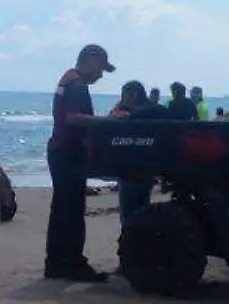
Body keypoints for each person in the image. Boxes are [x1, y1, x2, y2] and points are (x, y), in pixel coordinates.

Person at [45, 43, 115, 282]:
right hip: (68, 152)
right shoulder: (77, 85)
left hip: (59, 150)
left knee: (62, 210)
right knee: (72, 211)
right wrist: (106, 122)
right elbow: (73, 118)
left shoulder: (68, 80)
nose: (100, 75)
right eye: (101, 69)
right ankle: (73, 263)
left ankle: (56, 263)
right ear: (91, 61)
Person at [107, 80, 164, 223]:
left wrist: (118, 108)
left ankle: (130, 242)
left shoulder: (133, 116)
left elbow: (108, 122)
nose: (122, 99)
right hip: (150, 168)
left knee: (128, 215)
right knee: (143, 209)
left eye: (123, 95)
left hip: (130, 168)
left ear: (133, 95)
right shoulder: (156, 110)